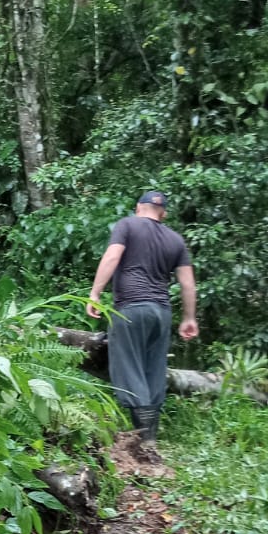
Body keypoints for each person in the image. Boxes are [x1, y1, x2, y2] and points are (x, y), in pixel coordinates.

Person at [86, 191, 198, 455]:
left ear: (138, 208)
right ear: (164, 213)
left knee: (128, 369)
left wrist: (95, 294)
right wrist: (189, 318)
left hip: (131, 309)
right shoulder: (176, 239)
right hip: (161, 312)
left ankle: (145, 442)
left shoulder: (127, 224)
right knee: (153, 370)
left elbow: (113, 257)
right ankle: (150, 437)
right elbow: (188, 283)